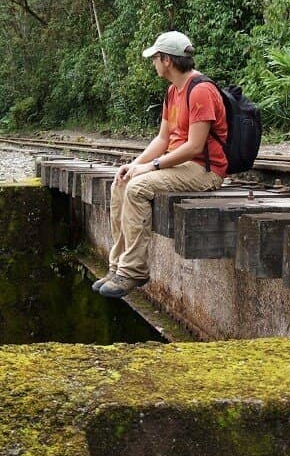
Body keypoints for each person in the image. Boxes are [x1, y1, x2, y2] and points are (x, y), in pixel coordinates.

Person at [94, 30, 227, 298]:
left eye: (155, 57)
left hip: (205, 171)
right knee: (120, 184)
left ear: (167, 60)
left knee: (137, 188)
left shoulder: (201, 91)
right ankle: (118, 264)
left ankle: (134, 271)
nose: (153, 62)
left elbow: (194, 147)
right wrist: (134, 164)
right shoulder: (172, 92)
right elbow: (163, 138)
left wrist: (151, 167)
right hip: (181, 165)